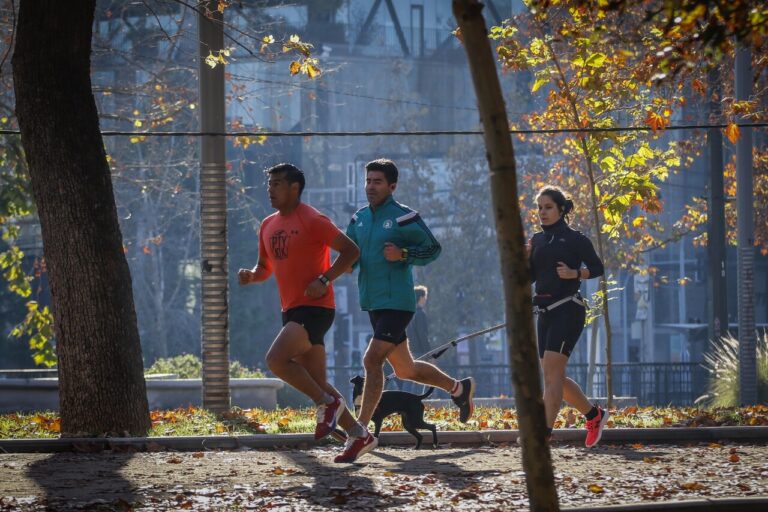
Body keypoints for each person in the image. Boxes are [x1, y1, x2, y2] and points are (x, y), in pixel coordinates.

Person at [336, 158, 475, 463]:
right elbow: (352, 256)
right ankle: (458, 388)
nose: (370, 186)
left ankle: (361, 433)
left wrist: (405, 254)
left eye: (377, 182)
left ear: (392, 186)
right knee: (406, 370)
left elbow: (433, 248)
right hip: (372, 302)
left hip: (398, 303)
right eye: (368, 181)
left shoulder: (403, 217)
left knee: (372, 360)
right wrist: (344, 267)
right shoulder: (358, 219)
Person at [238, 163, 368, 444]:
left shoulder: (312, 219)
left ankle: (326, 404)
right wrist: (251, 276)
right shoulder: (267, 225)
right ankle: (359, 434)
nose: (270, 189)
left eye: (277, 184)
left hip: (316, 308)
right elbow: (264, 267)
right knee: (317, 381)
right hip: (291, 309)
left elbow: (351, 251)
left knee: (276, 360)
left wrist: (324, 279)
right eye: (269, 184)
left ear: (294, 187)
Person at [528, 185, 608, 448]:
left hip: (568, 310)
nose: (543, 212)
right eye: (539, 207)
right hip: (544, 312)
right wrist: (523, 257)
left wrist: (575, 274)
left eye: (548, 207)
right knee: (555, 377)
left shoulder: (575, 239)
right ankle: (594, 416)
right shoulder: (537, 241)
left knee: (551, 376)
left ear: (561, 209)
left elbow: (598, 268)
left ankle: (543, 434)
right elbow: (529, 278)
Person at [404, 285, 430, 393]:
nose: (426, 300)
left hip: (409, 349)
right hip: (420, 351)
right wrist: (429, 353)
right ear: (421, 298)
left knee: (409, 378)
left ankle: (404, 400)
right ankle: (417, 401)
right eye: (425, 297)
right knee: (421, 377)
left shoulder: (409, 313)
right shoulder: (420, 314)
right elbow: (422, 335)